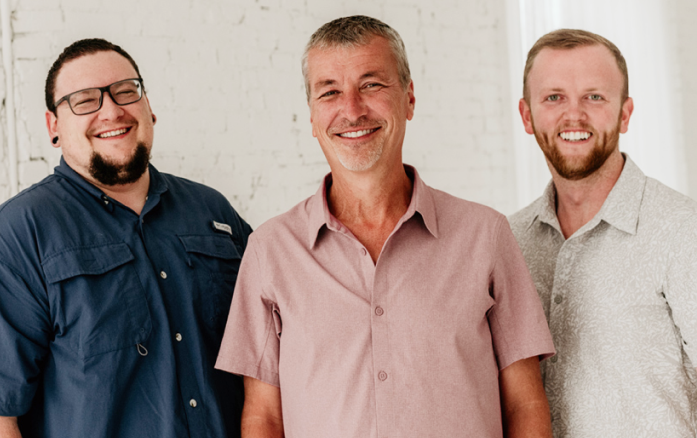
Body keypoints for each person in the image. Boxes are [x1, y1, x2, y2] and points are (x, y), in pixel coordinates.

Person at [216, 16, 556, 438]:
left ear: (409, 99)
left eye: (372, 85)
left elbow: (525, 403)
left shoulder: (485, 235)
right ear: (311, 115)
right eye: (330, 92)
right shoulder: (270, 250)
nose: (352, 109)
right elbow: (264, 417)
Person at [0, 38, 251, 438]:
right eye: (84, 100)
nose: (112, 110)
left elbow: (266, 360)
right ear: (54, 127)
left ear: (148, 107)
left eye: (125, 91)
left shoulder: (213, 213)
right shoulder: (9, 242)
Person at [511, 28, 697, 437]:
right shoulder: (509, 241)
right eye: (554, 97)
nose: (573, 115)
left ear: (625, 113)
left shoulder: (683, 231)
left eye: (594, 97)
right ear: (527, 115)